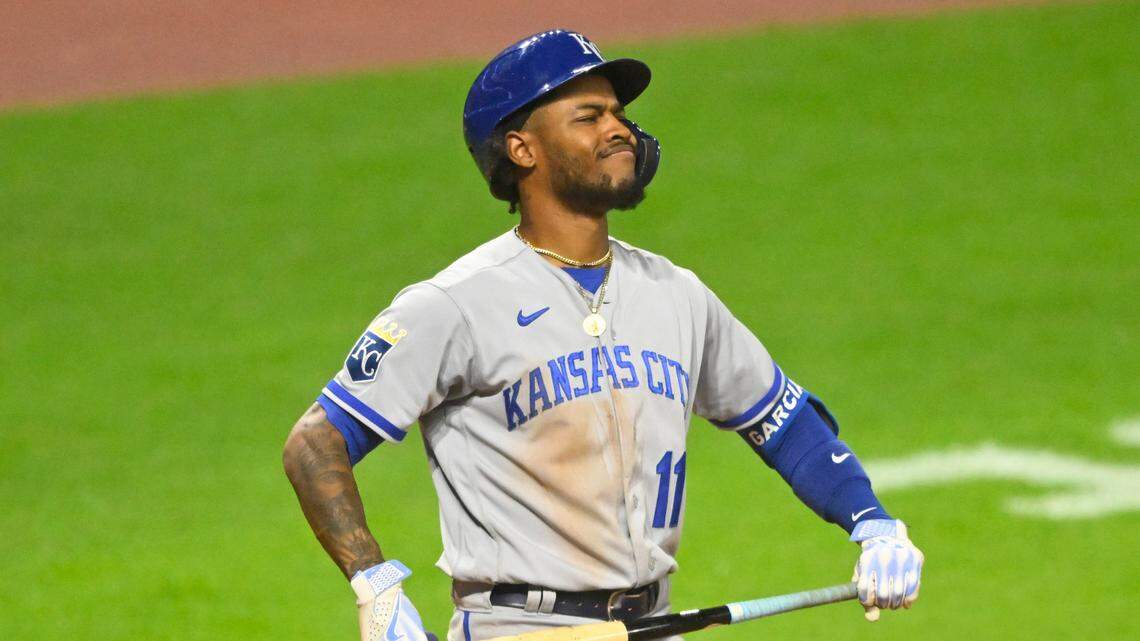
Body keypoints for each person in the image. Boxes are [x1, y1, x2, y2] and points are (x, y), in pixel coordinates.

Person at [283, 29, 924, 641]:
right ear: (522, 149)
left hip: (654, 621)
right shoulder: (455, 305)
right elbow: (315, 443)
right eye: (588, 117)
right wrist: (376, 586)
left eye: (618, 114)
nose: (619, 129)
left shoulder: (676, 293)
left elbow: (783, 421)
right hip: (520, 629)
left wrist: (872, 522)